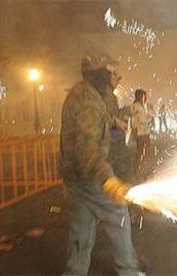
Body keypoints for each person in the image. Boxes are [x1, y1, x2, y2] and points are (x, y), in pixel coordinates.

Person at [60, 49, 139, 275]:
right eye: (112, 73)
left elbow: (95, 119)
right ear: (100, 74)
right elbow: (86, 151)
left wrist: (113, 121)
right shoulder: (89, 103)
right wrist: (109, 179)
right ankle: (129, 271)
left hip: (74, 178)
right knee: (118, 216)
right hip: (90, 177)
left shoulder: (84, 93)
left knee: (81, 231)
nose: (116, 78)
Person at [131, 89, 153, 180]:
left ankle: (143, 172)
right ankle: (138, 174)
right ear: (140, 97)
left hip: (145, 133)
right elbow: (135, 121)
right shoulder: (136, 107)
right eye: (144, 96)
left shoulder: (141, 106)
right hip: (141, 134)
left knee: (144, 153)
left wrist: (150, 116)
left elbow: (144, 120)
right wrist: (135, 132)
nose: (146, 98)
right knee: (140, 154)